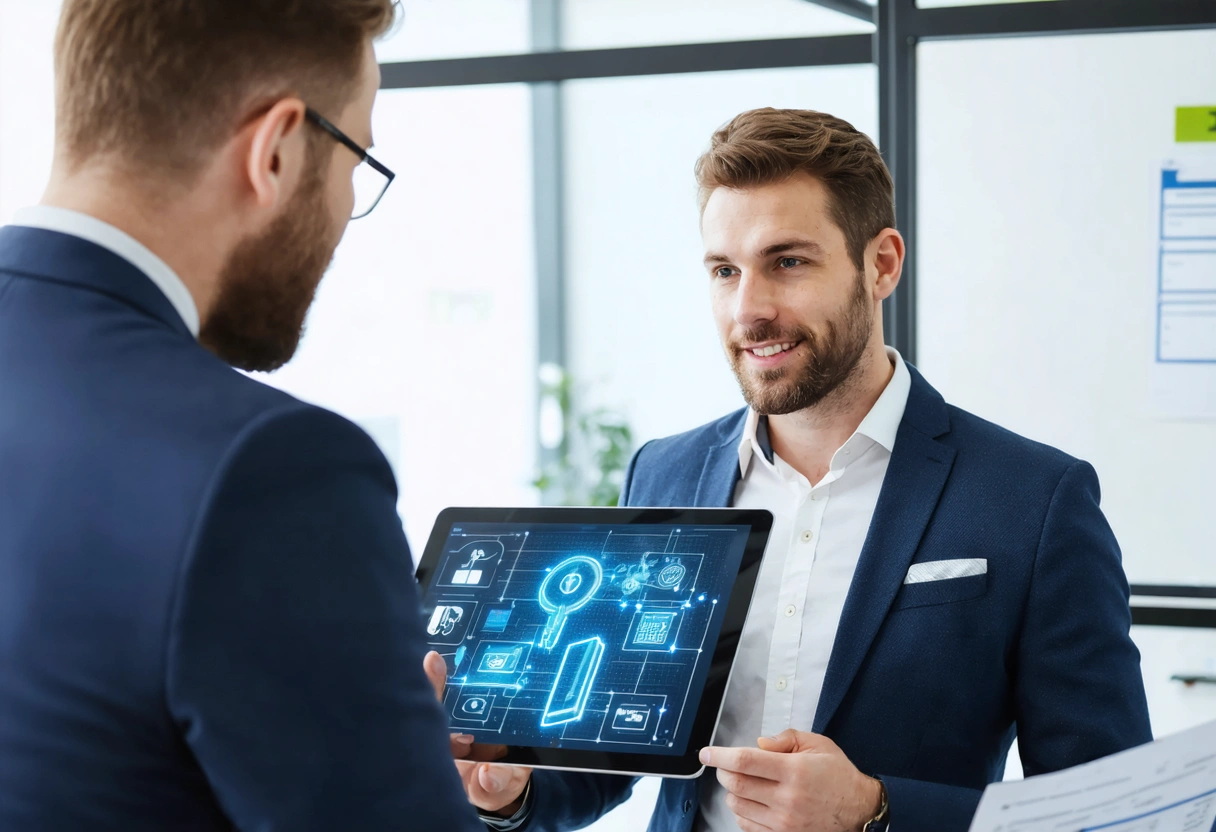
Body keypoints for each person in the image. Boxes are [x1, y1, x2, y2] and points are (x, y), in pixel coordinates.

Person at [428, 108, 1153, 832]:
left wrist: (874, 810)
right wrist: (510, 790)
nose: (749, 310)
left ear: (881, 264)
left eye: (788, 262)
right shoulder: (665, 472)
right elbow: (614, 747)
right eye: (725, 271)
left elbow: (1113, 813)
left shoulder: (1034, 501)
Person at [0, 1, 483, 829]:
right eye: (357, 160)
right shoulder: (273, 469)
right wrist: (393, 759)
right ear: (277, 150)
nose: (347, 208)